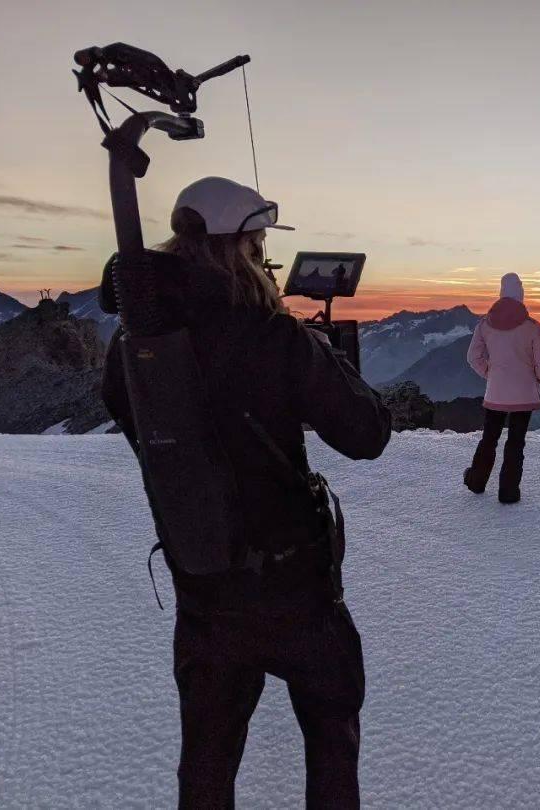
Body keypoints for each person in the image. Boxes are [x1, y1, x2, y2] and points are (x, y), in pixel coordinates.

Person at [101, 176, 391, 808]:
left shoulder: (135, 343)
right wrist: (321, 358)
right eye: (259, 240)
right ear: (243, 247)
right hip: (296, 588)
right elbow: (367, 433)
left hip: (203, 586)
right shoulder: (271, 335)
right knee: (331, 740)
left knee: (206, 763)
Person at [464, 272, 540, 504]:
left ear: (501, 294)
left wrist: (490, 374)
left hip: (495, 392)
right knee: (516, 441)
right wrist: (537, 378)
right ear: (521, 295)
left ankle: (476, 481)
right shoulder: (532, 327)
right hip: (524, 394)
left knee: (489, 437)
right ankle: (509, 492)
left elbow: (473, 357)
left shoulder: (484, 325)